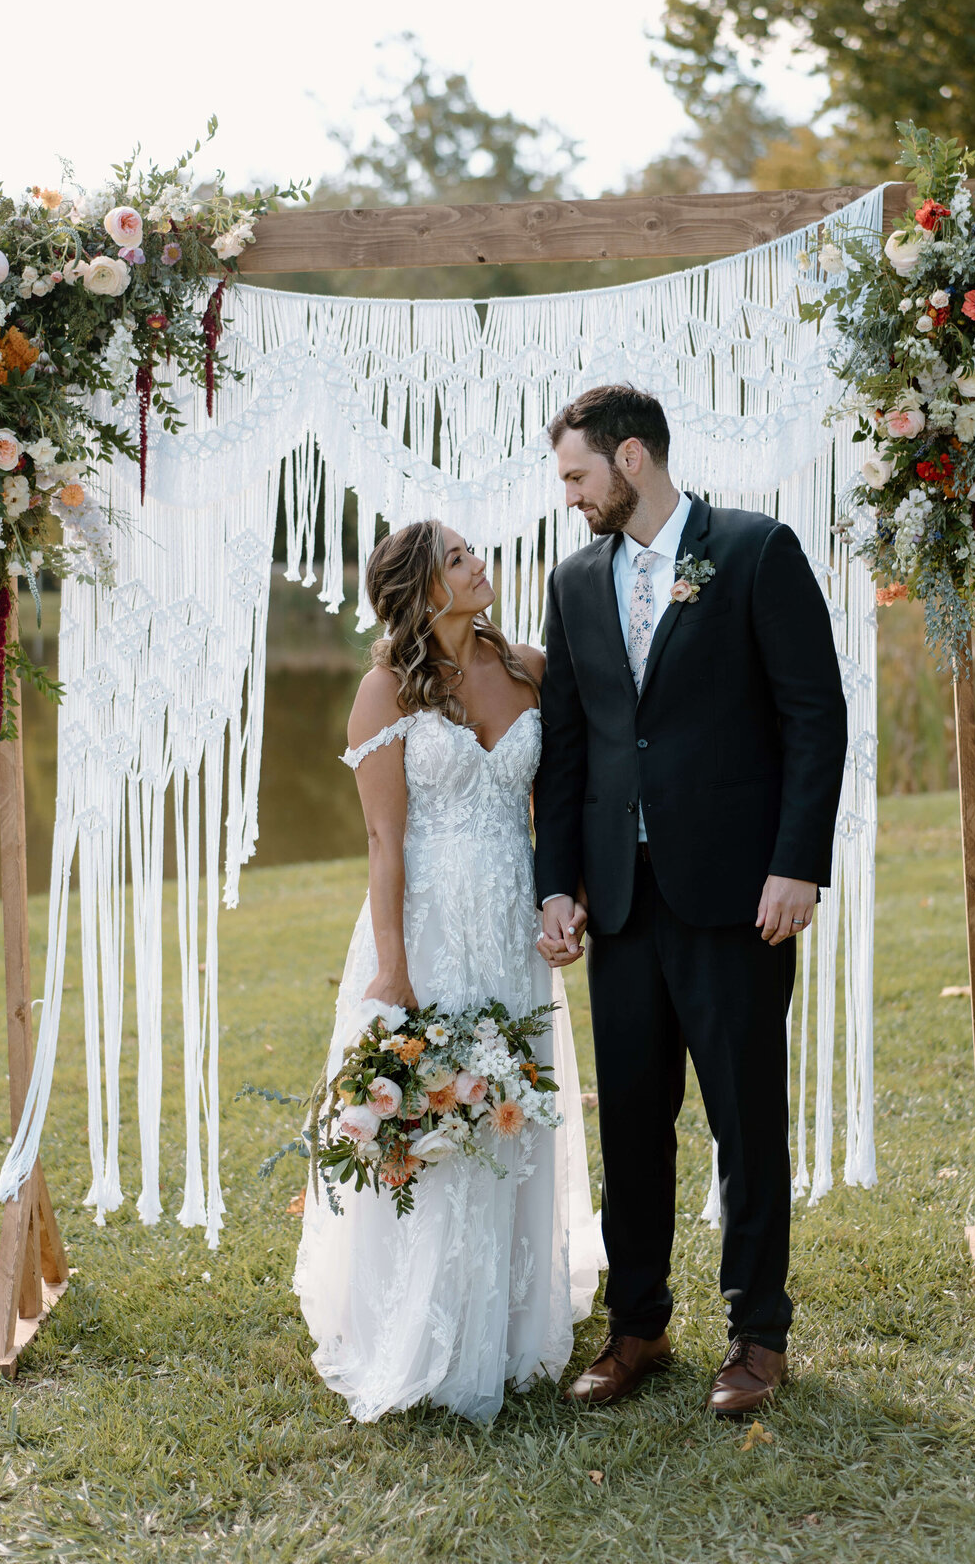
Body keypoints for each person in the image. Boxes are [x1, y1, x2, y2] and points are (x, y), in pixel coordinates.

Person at [534, 383, 847, 1419]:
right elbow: (572, 747)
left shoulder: (756, 551)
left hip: (737, 895)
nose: (570, 496)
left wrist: (796, 863)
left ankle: (757, 1335)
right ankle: (638, 1328)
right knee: (630, 1119)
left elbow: (815, 716)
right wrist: (557, 885)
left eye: (579, 475)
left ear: (631, 459)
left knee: (745, 1119)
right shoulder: (574, 581)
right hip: (622, 902)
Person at [295, 520, 603, 1423]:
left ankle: (505, 1323)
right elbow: (384, 840)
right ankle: (417, 1325)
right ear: (424, 590)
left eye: (476, 551)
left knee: (507, 1104)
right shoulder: (384, 690)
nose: (480, 565)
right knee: (431, 1112)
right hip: (426, 930)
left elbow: (562, 807)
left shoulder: (530, 668)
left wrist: (566, 899)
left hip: (511, 924)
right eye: (459, 560)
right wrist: (392, 972)